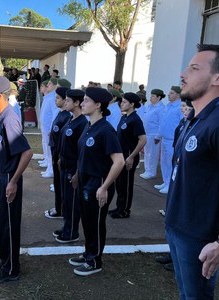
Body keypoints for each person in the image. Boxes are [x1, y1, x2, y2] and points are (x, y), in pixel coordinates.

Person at [166, 44, 219, 299]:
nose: (183, 73)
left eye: (194, 68)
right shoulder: (194, 118)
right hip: (177, 225)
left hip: (200, 236)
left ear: (217, 78)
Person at [69, 87, 124, 276]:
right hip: (85, 180)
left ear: (98, 105)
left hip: (98, 182)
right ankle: (88, 253)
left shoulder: (106, 130)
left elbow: (119, 161)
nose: (82, 103)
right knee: (87, 221)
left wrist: (104, 187)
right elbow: (83, 154)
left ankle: (95, 261)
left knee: (96, 223)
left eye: (86, 100)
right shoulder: (89, 125)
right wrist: (77, 174)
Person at [0, 76, 32, 283]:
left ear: (0, 96)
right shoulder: (0, 116)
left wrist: (12, 181)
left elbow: (26, 152)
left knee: (8, 225)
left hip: (10, 178)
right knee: (1, 222)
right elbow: (3, 150)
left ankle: (12, 269)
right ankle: (5, 260)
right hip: (2, 175)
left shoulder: (10, 118)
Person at [55, 89, 88, 243]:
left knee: (72, 201)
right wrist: (61, 158)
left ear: (77, 103)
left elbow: (82, 151)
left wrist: (77, 173)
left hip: (73, 167)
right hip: (65, 164)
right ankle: (66, 226)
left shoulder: (82, 123)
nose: (65, 102)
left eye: (68, 100)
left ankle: (72, 232)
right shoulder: (71, 119)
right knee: (65, 200)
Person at [110, 92, 146, 219]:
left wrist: (131, 157)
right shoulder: (124, 117)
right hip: (121, 157)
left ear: (132, 104)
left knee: (126, 184)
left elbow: (143, 139)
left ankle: (124, 210)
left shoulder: (135, 120)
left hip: (129, 157)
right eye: (122, 101)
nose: (121, 103)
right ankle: (119, 206)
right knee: (119, 183)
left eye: (125, 102)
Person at [45, 86, 71, 219]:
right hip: (55, 152)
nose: (55, 100)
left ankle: (60, 210)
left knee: (60, 184)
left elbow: (64, 139)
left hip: (59, 154)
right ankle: (58, 207)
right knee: (57, 182)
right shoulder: (61, 113)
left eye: (57, 98)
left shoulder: (66, 116)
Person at [154, 86, 184, 194]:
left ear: (178, 95)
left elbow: (182, 123)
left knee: (171, 162)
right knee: (164, 162)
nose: (168, 94)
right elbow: (162, 123)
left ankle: (170, 184)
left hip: (173, 139)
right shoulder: (168, 106)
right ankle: (165, 181)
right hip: (165, 138)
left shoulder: (180, 106)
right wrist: (158, 136)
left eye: (171, 93)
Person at [140, 89, 165, 180]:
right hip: (146, 133)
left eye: (153, 96)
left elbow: (161, 123)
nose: (150, 98)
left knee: (152, 154)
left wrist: (158, 136)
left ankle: (151, 172)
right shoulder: (149, 107)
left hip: (153, 134)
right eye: (151, 96)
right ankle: (147, 170)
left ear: (159, 97)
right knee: (147, 153)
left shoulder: (161, 108)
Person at [40, 78, 60, 178]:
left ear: (56, 86)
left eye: (50, 84)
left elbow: (54, 114)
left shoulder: (53, 97)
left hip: (49, 126)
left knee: (50, 148)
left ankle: (51, 169)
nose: (48, 85)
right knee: (45, 145)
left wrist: (52, 127)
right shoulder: (49, 96)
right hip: (45, 125)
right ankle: (48, 165)